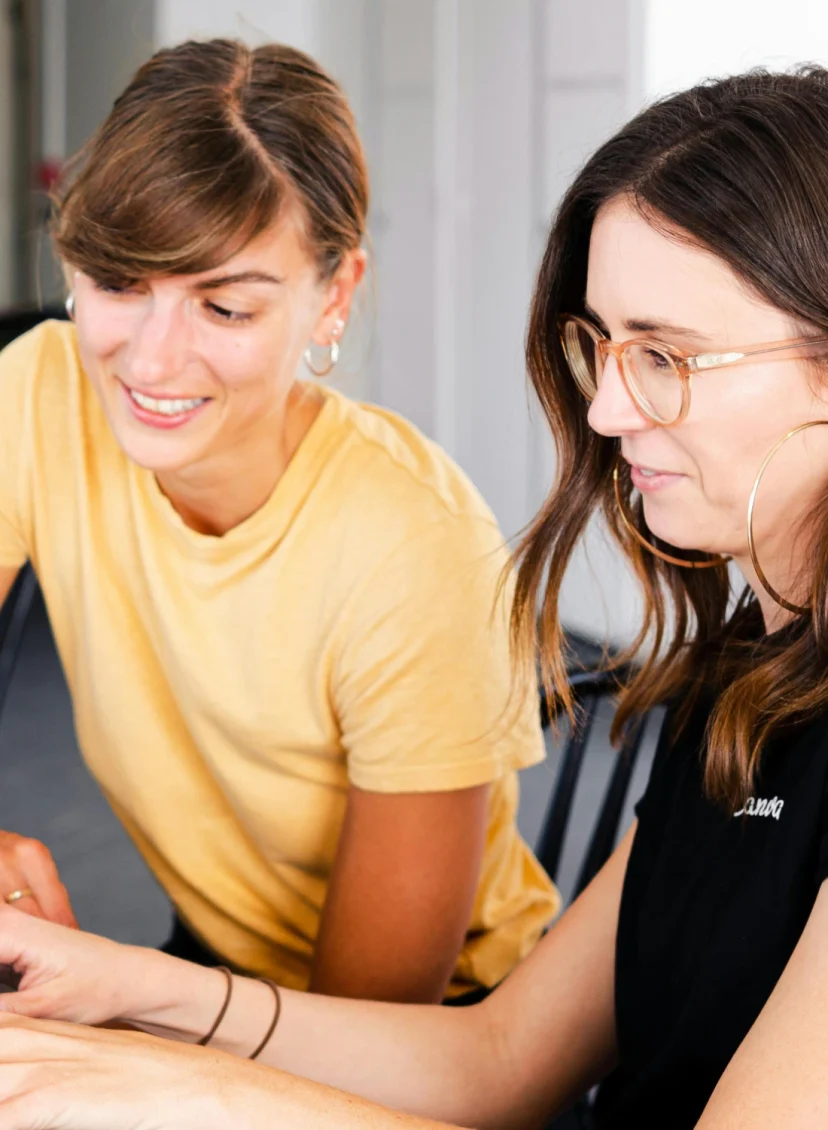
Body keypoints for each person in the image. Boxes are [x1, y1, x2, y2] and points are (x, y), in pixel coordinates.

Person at [7, 59, 828, 1130]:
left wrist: (162, 1075)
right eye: (602, 345)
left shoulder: (408, 537)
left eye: (668, 356)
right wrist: (127, 990)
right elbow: (502, 1058)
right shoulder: (740, 678)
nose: (609, 409)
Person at [0, 36, 558, 1009]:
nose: (152, 360)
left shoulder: (417, 548)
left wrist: (127, 1020)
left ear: (331, 295)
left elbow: (371, 1026)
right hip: (213, 955)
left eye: (223, 307)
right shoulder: (38, 390)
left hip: (424, 1037)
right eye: (119, 281)